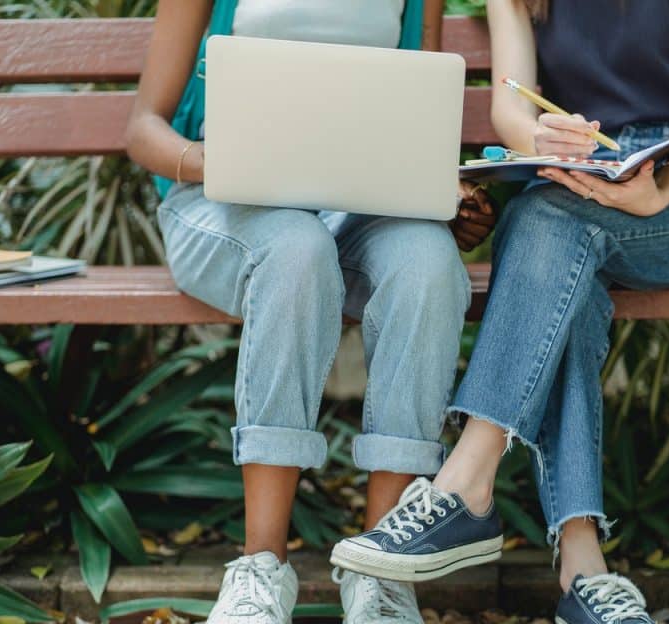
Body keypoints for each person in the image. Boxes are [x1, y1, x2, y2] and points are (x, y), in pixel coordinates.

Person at [333, 1, 669, 622]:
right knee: (560, 259)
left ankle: (467, 480)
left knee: (541, 221)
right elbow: (510, 109)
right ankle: (585, 577)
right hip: (577, 181)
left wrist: (660, 187)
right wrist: (543, 141)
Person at [124, 2, 496, 622]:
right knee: (297, 251)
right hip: (220, 203)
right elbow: (144, 128)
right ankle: (261, 570)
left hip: (356, 206)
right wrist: (219, 163)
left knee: (428, 263)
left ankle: (383, 576)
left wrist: (444, 192)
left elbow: (417, 124)